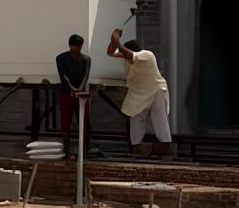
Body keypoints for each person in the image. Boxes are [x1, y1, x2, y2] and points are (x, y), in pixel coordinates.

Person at [107, 29, 171, 157]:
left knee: (160, 119)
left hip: (155, 90)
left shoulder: (147, 55)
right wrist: (113, 40)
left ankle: (164, 145)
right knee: (136, 118)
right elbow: (110, 53)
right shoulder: (128, 57)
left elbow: (128, 54)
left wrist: (117, 40)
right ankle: (136, 146)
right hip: (138, 92)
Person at [55, 34, 92, 146]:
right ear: (70, 45)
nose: (77, 48)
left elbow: (86, 75)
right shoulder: (61, 58)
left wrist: (79, 89)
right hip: (67, 93)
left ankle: (85, 146)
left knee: (85, 121)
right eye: (75, 46)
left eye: (79, 46)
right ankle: (66, 146)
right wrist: (73, 89)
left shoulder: (86, 59)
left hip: (81, 94)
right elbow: (63, 76)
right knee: (66, 120)